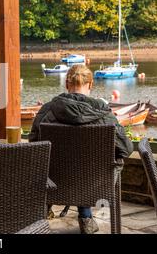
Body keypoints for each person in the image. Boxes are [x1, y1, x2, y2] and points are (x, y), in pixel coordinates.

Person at [29, 64, 133, 234]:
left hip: (54, 183)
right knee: (91, 165)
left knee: (48, 161)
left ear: (66, 85)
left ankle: (45, 207)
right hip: (94, 184)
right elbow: (126, 149)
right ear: (91, 85)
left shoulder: (47, 110)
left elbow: (33, 145)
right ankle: (85, 217)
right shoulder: (104, 114)